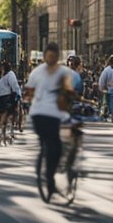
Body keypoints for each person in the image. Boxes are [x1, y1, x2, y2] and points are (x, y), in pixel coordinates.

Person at [25, 42, 76, 196]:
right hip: (51, 115)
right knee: (57, 147)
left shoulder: (36, 72)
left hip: (38, 115)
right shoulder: (62, 72)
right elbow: (69, 92)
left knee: (47, 144)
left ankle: (44, 163)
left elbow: (28, 93)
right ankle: (49, 177)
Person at [0, 59, 21, 131]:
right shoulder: (10, 75)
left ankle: (2, 123)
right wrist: (18, 94)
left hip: (2, 98)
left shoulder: (3, 77)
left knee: (1, 111)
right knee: (13, 109)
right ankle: (11, 124)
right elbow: (14, 85)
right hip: (8, 97)